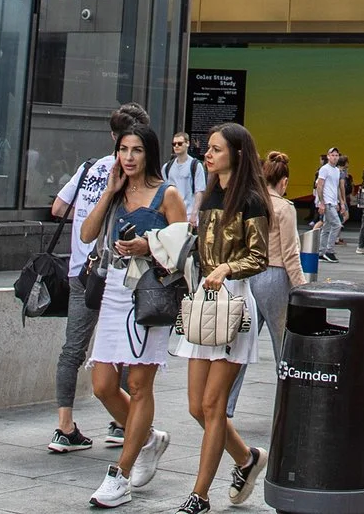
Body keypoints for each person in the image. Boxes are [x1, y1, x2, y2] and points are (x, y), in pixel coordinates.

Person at [80, 117, 187, 509]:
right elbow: (87, 235)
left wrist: (149, 244)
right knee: (103, 385)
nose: (128, 157)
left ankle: (120, 475)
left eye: (136, 150)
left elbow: (184, 247)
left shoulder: (167, 194)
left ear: (149, 154)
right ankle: (147, 438)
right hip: (113, 292)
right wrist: (108, 193)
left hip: (150, 295)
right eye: (123, 149)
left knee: (141, 385)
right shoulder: (116, 190)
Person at [172, 122, 270, 514]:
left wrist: (227, 269)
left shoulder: (252, 200)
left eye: (215, 149)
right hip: (204, 301)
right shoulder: (211, 195)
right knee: (197, 406)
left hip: (234, 301)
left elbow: (258, 256)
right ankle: (246, 459)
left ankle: (199, 494)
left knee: (213, 405)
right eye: (206, 149)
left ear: (237, 154)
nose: (207, 155)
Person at [48, 103, 150, 456]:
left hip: (81, 270)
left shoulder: (89, 167)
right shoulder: (132, 176)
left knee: (72, 349)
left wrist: (89, 209)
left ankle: (64, 425)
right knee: (121, 348)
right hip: (115, 272)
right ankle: (120, 423)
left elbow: (58, 209)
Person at [227, 150, 303, 420]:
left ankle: (225, 404)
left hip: (248, 275)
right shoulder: (285, 208)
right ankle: (290, 406)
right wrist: (301, 288)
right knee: (283, 344)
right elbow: (291, 253)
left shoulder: (251, 202)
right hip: (275, 276)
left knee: (240, 344)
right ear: (283, 182)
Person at [313, 147, 347, 263]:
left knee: (327, 227)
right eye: (332, 155)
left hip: (332, 201)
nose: (334, 157)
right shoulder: (324, 169)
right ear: (328, 156)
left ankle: (321, 252)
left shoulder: (337, 171)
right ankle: (329, 250)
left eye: (336, 155)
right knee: (337, 224)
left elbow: (336, 187)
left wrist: (341, 202)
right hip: (327, 202)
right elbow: (320, 186)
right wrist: (321, 202)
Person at [170, 132, 208, 223]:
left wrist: (194, 214)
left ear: (187, 143)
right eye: (174, 144)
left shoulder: (195, 165)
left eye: (179, 143)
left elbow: (200, 191)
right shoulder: (167, 167)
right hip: (172, 215)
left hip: (189, 216)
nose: (176, 146)